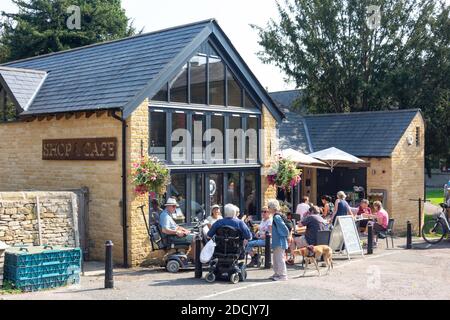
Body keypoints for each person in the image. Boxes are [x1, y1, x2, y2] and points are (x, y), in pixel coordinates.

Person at [268, 199, 290, 281]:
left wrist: (283, 235)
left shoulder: (276, 217)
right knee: (276, 258)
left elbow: (284, 229)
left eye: (269, 207)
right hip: (277, 240)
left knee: (279, 258)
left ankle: (283, 275)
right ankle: (277, 273)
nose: (268, 208)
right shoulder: (276, 216)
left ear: (272, 208)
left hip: (279, 241)